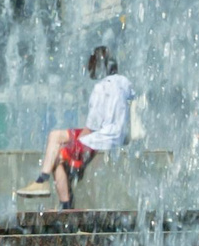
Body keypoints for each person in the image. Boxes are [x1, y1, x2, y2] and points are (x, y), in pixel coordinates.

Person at [20, 47, 134, 210]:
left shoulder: (100, 89)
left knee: (58, 155)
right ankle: (42, 180)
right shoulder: (124, 83)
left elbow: (91, 128)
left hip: (100, 137)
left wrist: (75, 149)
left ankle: (62, 201)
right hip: (117, 134)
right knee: (55, 135)